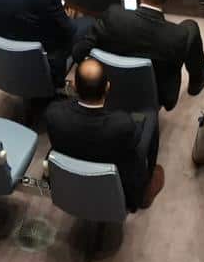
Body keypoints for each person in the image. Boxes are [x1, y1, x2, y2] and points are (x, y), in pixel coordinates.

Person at [75, 0, 204, 110]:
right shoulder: (177, 36)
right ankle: (196, 81)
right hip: (155, 94)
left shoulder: (113, 16)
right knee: (191, 26)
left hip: (111, 84)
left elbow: (79, 51)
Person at [47, 56, 164, 212]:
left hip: (72, 177)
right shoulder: (122, 124)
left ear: (74, 86)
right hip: (117, 181)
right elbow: (136, 143)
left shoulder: (54, 114)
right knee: (149, 116)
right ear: (107, 87)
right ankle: (146, 185)